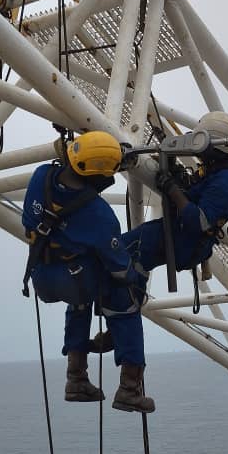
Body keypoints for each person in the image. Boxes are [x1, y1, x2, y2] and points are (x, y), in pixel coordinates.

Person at [90, 111, 228, 353]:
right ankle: (122, 324)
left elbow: (198, 221)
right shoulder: (220, 167)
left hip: (186, 241)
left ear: (217, 145)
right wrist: (179, 180)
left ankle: (120, 326)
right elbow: (198, 194)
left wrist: (172, 189)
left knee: (119, 253)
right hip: (180, 234)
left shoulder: (226, 181)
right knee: (132, 264)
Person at [22, 131, 154, 413]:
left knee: (80, 299)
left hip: (42, 277)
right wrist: (136, 278)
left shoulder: (41, 176)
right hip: (75, 279)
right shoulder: (99, 214)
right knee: (126, 297)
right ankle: (129, 388)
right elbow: (120, 267)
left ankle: (76, 378)